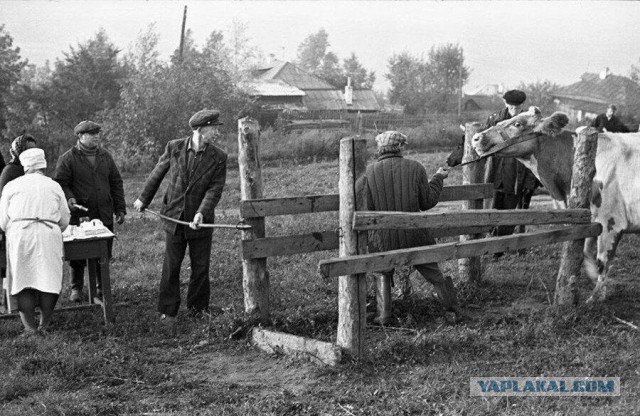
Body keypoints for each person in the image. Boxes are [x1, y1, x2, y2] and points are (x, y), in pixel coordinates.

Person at [133, 109, 227, 326]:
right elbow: (158, 172)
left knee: (201, 266)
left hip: (200, 221)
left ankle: (198, 309)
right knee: (172, 265)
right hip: (174, 217)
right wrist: (143, 199)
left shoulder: (219, 157)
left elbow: (215, 189)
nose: (217, 133)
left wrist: (201, 212)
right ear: (201, 130)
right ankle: (168, 311)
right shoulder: (174, 147)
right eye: (214, 128)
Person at [358, 131, 461, 325]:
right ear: (400, 147)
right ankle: (453, 311)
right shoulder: (416, 167)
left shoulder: (369, 172)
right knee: (435, 274)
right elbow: (427, 202)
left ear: (380, 149)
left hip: (383, 239)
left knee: (382, 273)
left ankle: (384, 316)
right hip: (415, 235)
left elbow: (367, 209)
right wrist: (438, 178)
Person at [0, 148, 70, 337]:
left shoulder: (12, 186)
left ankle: (30, 328)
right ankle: (44, 324)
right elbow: (64, 219)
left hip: (20, 235)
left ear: (25, 166)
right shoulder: (53, 186)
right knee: (49, 279)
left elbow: (3, 222)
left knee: (23, 279)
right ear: (43, 165)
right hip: (48, 234)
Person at [54, 120, 126, 302]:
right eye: (91, 134)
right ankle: (76, 288)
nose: (96, 137)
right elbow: (61, 183)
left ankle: (102, 288)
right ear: (79, 136)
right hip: (80, 215)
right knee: (77, 254)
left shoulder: (105, 156)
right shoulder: (68, 158)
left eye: (97, 133)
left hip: (103, 212)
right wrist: (69, 197)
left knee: (104, 253)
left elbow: (116, 182)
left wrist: (120, 208)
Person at [484, 89, 540, 240]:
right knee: (491, 209)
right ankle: (491, 240)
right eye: (511, 107)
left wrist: (530, 182)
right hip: (495, 172)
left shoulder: (528, 122)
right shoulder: (495, 120)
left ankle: (500, 246)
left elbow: (534, 153)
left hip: (517, 175)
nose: (514, 110)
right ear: (505, 103)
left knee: (510, 213)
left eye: (517, 107)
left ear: (522, 105)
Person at [0, 134, 37, 314]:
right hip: (12, 224)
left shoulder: (30, 170)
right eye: (27, 150)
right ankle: (8, 304)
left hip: (28, 225)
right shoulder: (11, 171)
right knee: (8, 266)